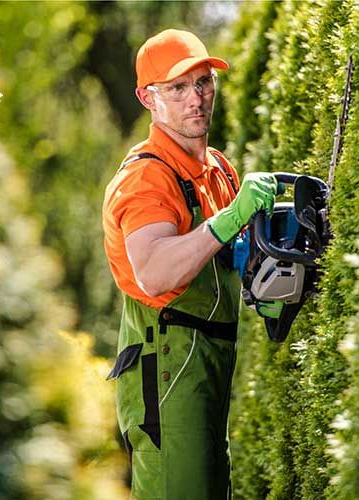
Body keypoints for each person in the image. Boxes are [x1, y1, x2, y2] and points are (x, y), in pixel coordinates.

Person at [102, 29, 277, 499]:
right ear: (147, 98)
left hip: (210, 358)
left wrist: (264, 270)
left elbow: (219, 256)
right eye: (177, 88)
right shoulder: (145, 179)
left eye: (202, 83)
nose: (195, 99)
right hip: (167, 367)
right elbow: (156, 271)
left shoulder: (217, 169)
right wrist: (232, 218)